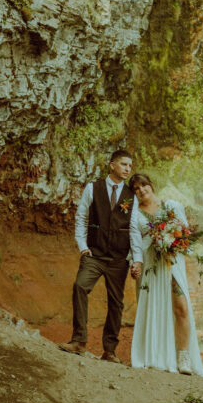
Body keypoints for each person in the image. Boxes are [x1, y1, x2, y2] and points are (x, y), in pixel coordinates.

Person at [59, 150, 143, 362]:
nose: (127, 169)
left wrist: (137, 258)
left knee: (116, 303)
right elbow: (81, 218)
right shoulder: (92, 188)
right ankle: (78, 341)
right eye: (124, 164)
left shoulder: (131, 196)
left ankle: (110, 351)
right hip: (94, 254)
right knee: (80, 286)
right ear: (112, 165)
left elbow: (133, 229)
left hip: (118, 259)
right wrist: (82, 246)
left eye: (130, 166)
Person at [129, 173, 203, 376]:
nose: (141, 190)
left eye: (143, 185)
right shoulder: (134, 215)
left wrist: (172, 243)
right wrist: (136, 262)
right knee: (154, 308)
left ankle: (184, 358)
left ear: (151, 185)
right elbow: (136, 244)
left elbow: (184, 235)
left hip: (172, 264)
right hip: (151, 266)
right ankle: (155, 355)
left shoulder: (171, 205)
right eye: (136, 188)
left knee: (181, 308)